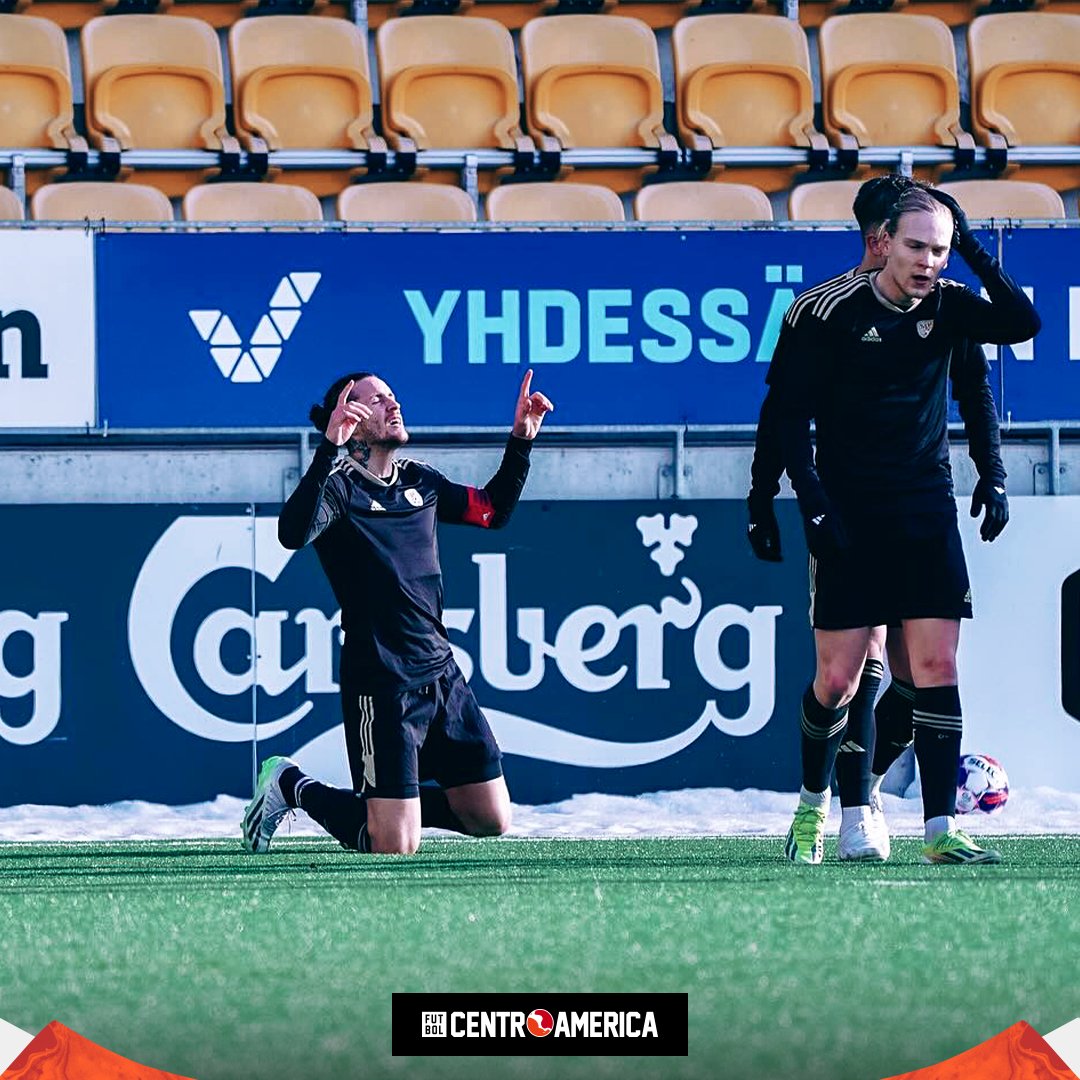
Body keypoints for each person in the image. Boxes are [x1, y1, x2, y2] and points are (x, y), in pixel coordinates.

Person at [768, 184, 1038, 865]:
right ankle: (813, 807)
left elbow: (1019, 327)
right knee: (841, 679)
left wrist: (992, 472)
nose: (927, 260)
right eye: (916, 245)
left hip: (925, 506)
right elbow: (787, 418)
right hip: (852, 513)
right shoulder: (829, 312)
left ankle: (940, 828)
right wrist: (812, 502)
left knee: (936, 666)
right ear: (885, 242)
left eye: (938, 249)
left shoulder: (951, 306)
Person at [242, 369, 554, 855]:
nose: (393, 404)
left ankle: (388, 807)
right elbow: (291, 534)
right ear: (352, 419)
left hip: (442, 675)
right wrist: (327, 447)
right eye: (377, 400)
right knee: (393, 844)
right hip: (381, 681)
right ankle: (290, 785)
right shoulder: (340, 488)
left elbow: (492, 512)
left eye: (393, 395)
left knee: (491, 818)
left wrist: (521, 440)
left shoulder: (420, 480)